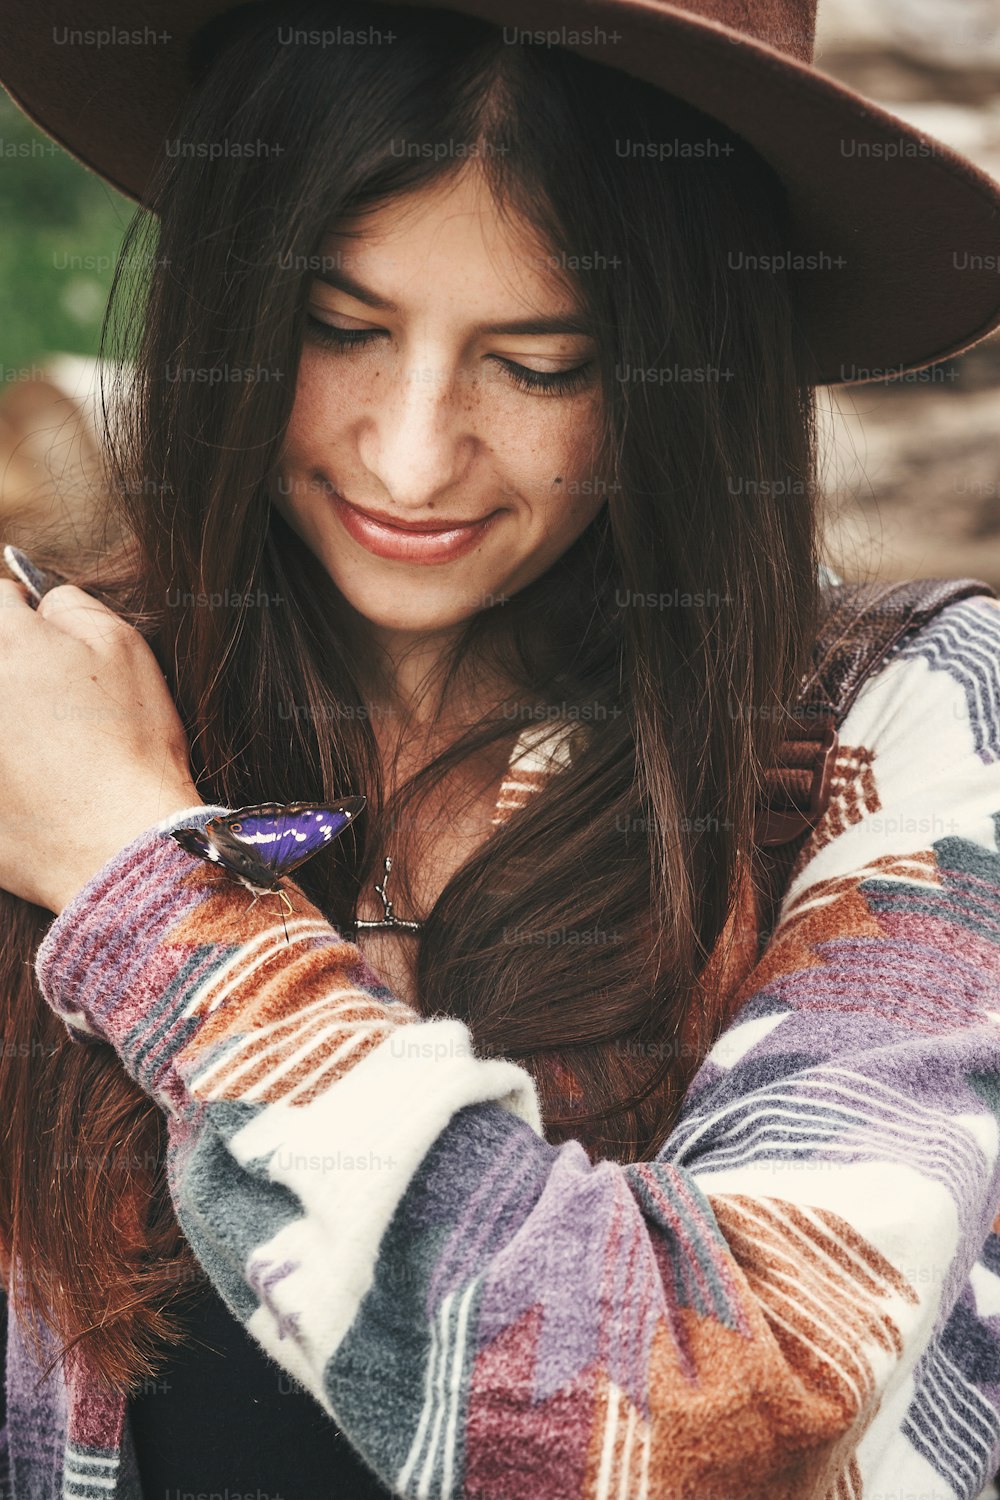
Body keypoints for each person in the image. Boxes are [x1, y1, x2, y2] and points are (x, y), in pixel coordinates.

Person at [1, 0, 1000, 1496]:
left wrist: (141, 895)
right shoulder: (47, 691)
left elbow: (709, 1412)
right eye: (337, 329)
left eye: (538, 366)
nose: (410, 453)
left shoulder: (902, 725)